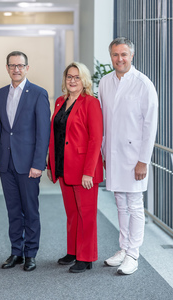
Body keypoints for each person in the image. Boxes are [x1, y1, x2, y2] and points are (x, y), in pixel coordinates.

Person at [99, 37, 158, 275]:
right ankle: (123, 248)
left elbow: (150, 125)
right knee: (120, 204)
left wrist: (143, 160)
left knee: (134, 205)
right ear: (111, 56)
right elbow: (103, 120)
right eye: (115, 55)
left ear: (132, 56)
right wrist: (103, 152)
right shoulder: (105, 82)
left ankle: (133, 253)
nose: (119, 59)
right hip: (113, 155)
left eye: (124, 54)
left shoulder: (143, 84)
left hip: (135, 158)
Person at [0, 51, 51, 272]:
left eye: (20, 65)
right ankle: (16, 251)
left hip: (29, 165)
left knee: (30, 210)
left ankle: (30, 253)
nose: (16, 69)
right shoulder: (0, 94)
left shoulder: (38, 93)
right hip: (7, 164)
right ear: (7, 68)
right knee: (13, 210)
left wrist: (38, 163)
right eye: (12, 65)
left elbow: (42, 133)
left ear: (27, 68)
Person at [46, 62, 103, 273]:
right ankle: (73, 251)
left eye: (77, 77)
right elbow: (57, 135)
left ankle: (86, 257)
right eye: (69, 76)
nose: (72, 80)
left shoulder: (91, 103)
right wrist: (51, 163)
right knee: (72, 213)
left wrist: (89, 171)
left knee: (86, 214)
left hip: (83, 170)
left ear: (84, 80)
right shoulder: (60, 101)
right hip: (64, 167)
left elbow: (96, 139)